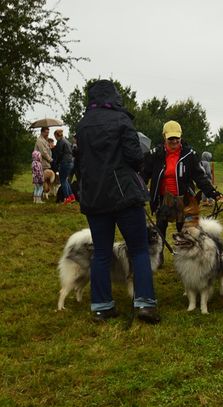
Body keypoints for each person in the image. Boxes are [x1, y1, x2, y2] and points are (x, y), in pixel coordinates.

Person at [75, 79, 160, 324]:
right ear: (114, 96)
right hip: (124, 195)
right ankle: (144, 304)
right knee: (139, 249)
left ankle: (101, 306)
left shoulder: (82, 125)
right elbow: (135, 157)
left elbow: (80, 161)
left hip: (94, 197)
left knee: (101, 252)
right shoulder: (122, 120)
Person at [142, 120, 221, 266]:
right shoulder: (155, 154)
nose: (174, 141)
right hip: (162, 198)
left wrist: (212, 192)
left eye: (176, 138)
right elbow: (144, 174)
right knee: (160, 227)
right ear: (164, 136)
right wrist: (138, 191)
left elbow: (199, 176)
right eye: (170, 138)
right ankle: (159, 257)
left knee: (184, 230)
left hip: (183, 198)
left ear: (181, 137)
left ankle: (185, 258)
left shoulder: (189, 154)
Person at [53, 129, 76, 204]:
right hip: (71, 162)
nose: (55, 138)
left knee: (62, 180)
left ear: (56, 135)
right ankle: (72, 196)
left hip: (64, 163)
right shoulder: (66, 141)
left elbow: (59, 154)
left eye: (55, 136)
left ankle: (67, 198)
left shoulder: (60, 142)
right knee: (65, 180)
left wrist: (56, 163)